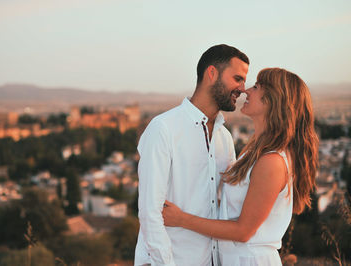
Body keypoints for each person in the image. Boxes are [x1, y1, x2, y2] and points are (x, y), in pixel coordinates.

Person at [162, 68, 319, 265]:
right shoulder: (255, 149)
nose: (246, 91)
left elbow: (243, 231)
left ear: (272, 99)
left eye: (256, 87)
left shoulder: (272, 162)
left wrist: (181, 219)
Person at [134, 44, 249, 266]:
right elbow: (150, 213)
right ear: (212, 73)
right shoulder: (163, 129)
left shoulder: (224, 138)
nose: (243, 88)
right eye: (237, 78)